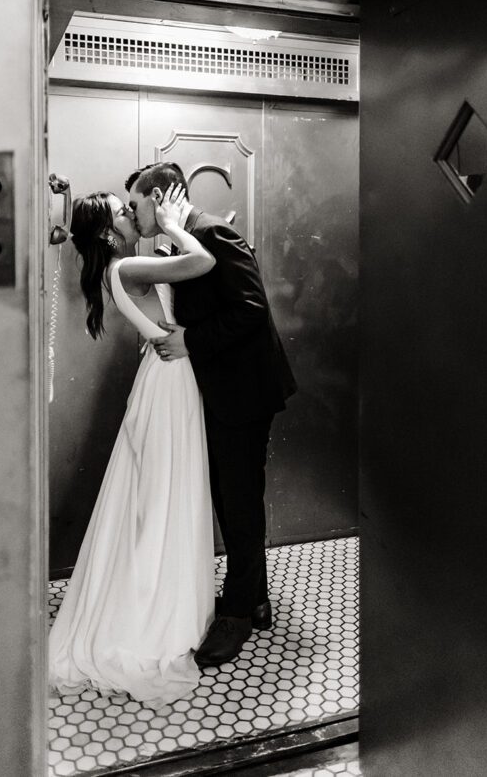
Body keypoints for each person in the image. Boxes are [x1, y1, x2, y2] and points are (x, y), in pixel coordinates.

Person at [48, 184, 216, 707]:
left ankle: (156, 595)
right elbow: (204, 260)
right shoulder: (125, 270)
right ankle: (153, 611)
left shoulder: (124, 268)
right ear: (105, 230)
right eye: (123, 211)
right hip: (170, 383)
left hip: (164, 379)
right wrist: (173, 225)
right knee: (164, 498)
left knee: (155, 499)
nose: (132, 212)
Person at [125, 162, 297, 667]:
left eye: (136, 204)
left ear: (157, 197)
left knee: (238, 498)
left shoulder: (211, 232)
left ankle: (238, 616)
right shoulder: (184, 239)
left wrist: (189, 341)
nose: (134, 215)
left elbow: (252, 308)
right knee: (231, 495)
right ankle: (257, 597)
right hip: (224, 392)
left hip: (244, 393)